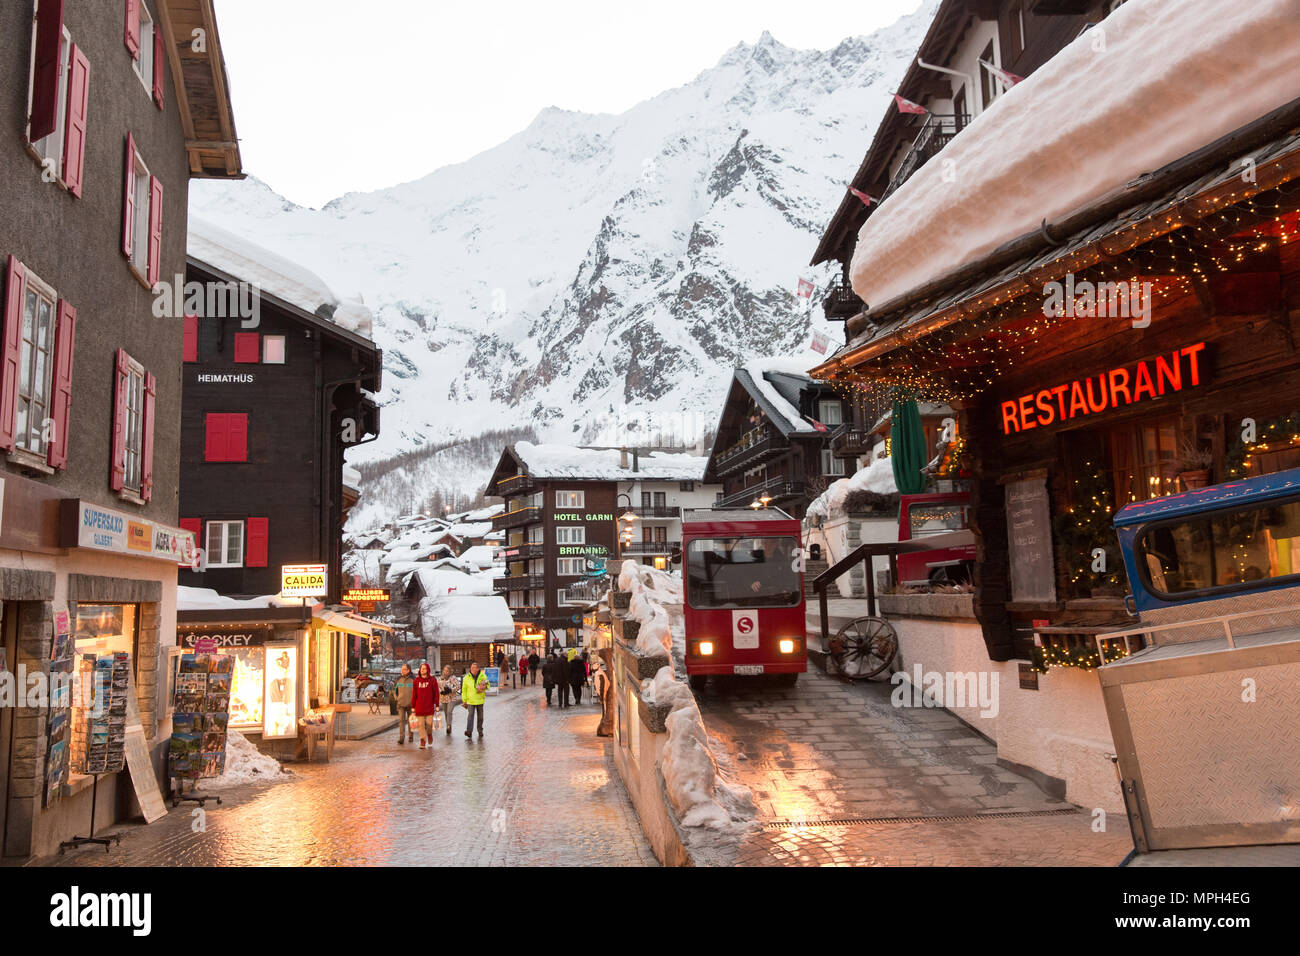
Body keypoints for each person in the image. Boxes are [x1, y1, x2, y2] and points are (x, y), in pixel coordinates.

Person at [411, 661, 440, 749]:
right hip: (419, 707)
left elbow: (436, 693)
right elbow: (414, 694)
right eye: (421, 669)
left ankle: (429, 734)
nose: (423, 670)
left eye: (424, 669)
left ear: (428, 670)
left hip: (429, 707)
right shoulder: (416, 681)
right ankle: (422, 740)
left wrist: (437, 705)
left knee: (429, 724)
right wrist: (413, 706)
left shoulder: (432, 680)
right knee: (420, 725)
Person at [462, 661, 489, 738]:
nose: (473, 669)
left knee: (480, 717)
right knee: (470, 716)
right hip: (470, 700)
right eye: (471, 668)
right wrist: (464, 700)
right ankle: (469, 731)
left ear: (478, 669)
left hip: (480, 699)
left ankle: (480, 730)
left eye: (474, 668)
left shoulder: (483, 676)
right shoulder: (467, 677)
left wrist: (484, 687)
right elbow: (464, 689)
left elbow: (488, 685)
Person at [392, 664, 415, 744]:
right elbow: (394, 690)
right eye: (402, 669)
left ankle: (411, 736)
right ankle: (401, 737)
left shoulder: (414, 679)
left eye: (404, 669)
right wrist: (396, 698)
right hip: (400, 703)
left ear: (408, 670)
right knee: (401, 721)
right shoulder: (398, 679)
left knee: (411, 721)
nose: (402, 670)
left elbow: (417, 691)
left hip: (411, 704)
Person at [438, 665, 461, 736]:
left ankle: (448, 725)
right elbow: (437, 686)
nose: (446, 672)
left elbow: (458, 686)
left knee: (449, 711)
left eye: (447, 671)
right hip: (443, 698)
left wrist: (451, 690)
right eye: (445, 670)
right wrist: (441, 691)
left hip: (451, 698)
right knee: (446, 713)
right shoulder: (440, 678)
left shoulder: (453, 678)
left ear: (450, 671)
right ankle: (449, 725)